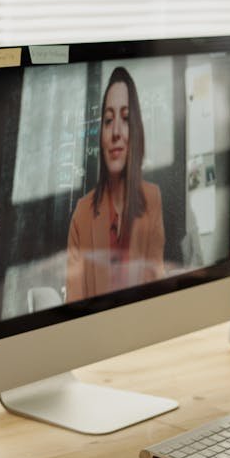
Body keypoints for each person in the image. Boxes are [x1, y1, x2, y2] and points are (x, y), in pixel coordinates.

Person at [66, 66, 166, 302]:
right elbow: (73, 306)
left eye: (125, 118)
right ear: (101, 135)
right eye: (109, 120)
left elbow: (156, 291)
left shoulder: (152, 199)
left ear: (136, 130)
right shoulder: (82, 213)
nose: (116, 133)